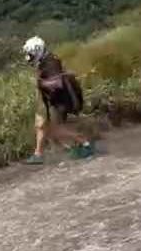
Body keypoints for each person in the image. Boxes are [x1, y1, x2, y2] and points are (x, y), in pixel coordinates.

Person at [22, 36, 95, 165]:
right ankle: (38, 154)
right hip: (52, 100)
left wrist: (40, 83)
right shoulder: (46, 60)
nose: (29, 57)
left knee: (55, 129)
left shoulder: (50, 62)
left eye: (31, 54)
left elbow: (57, 83)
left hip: (61, 100)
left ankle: (84, 143)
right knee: (41, 125)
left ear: (37, 50)